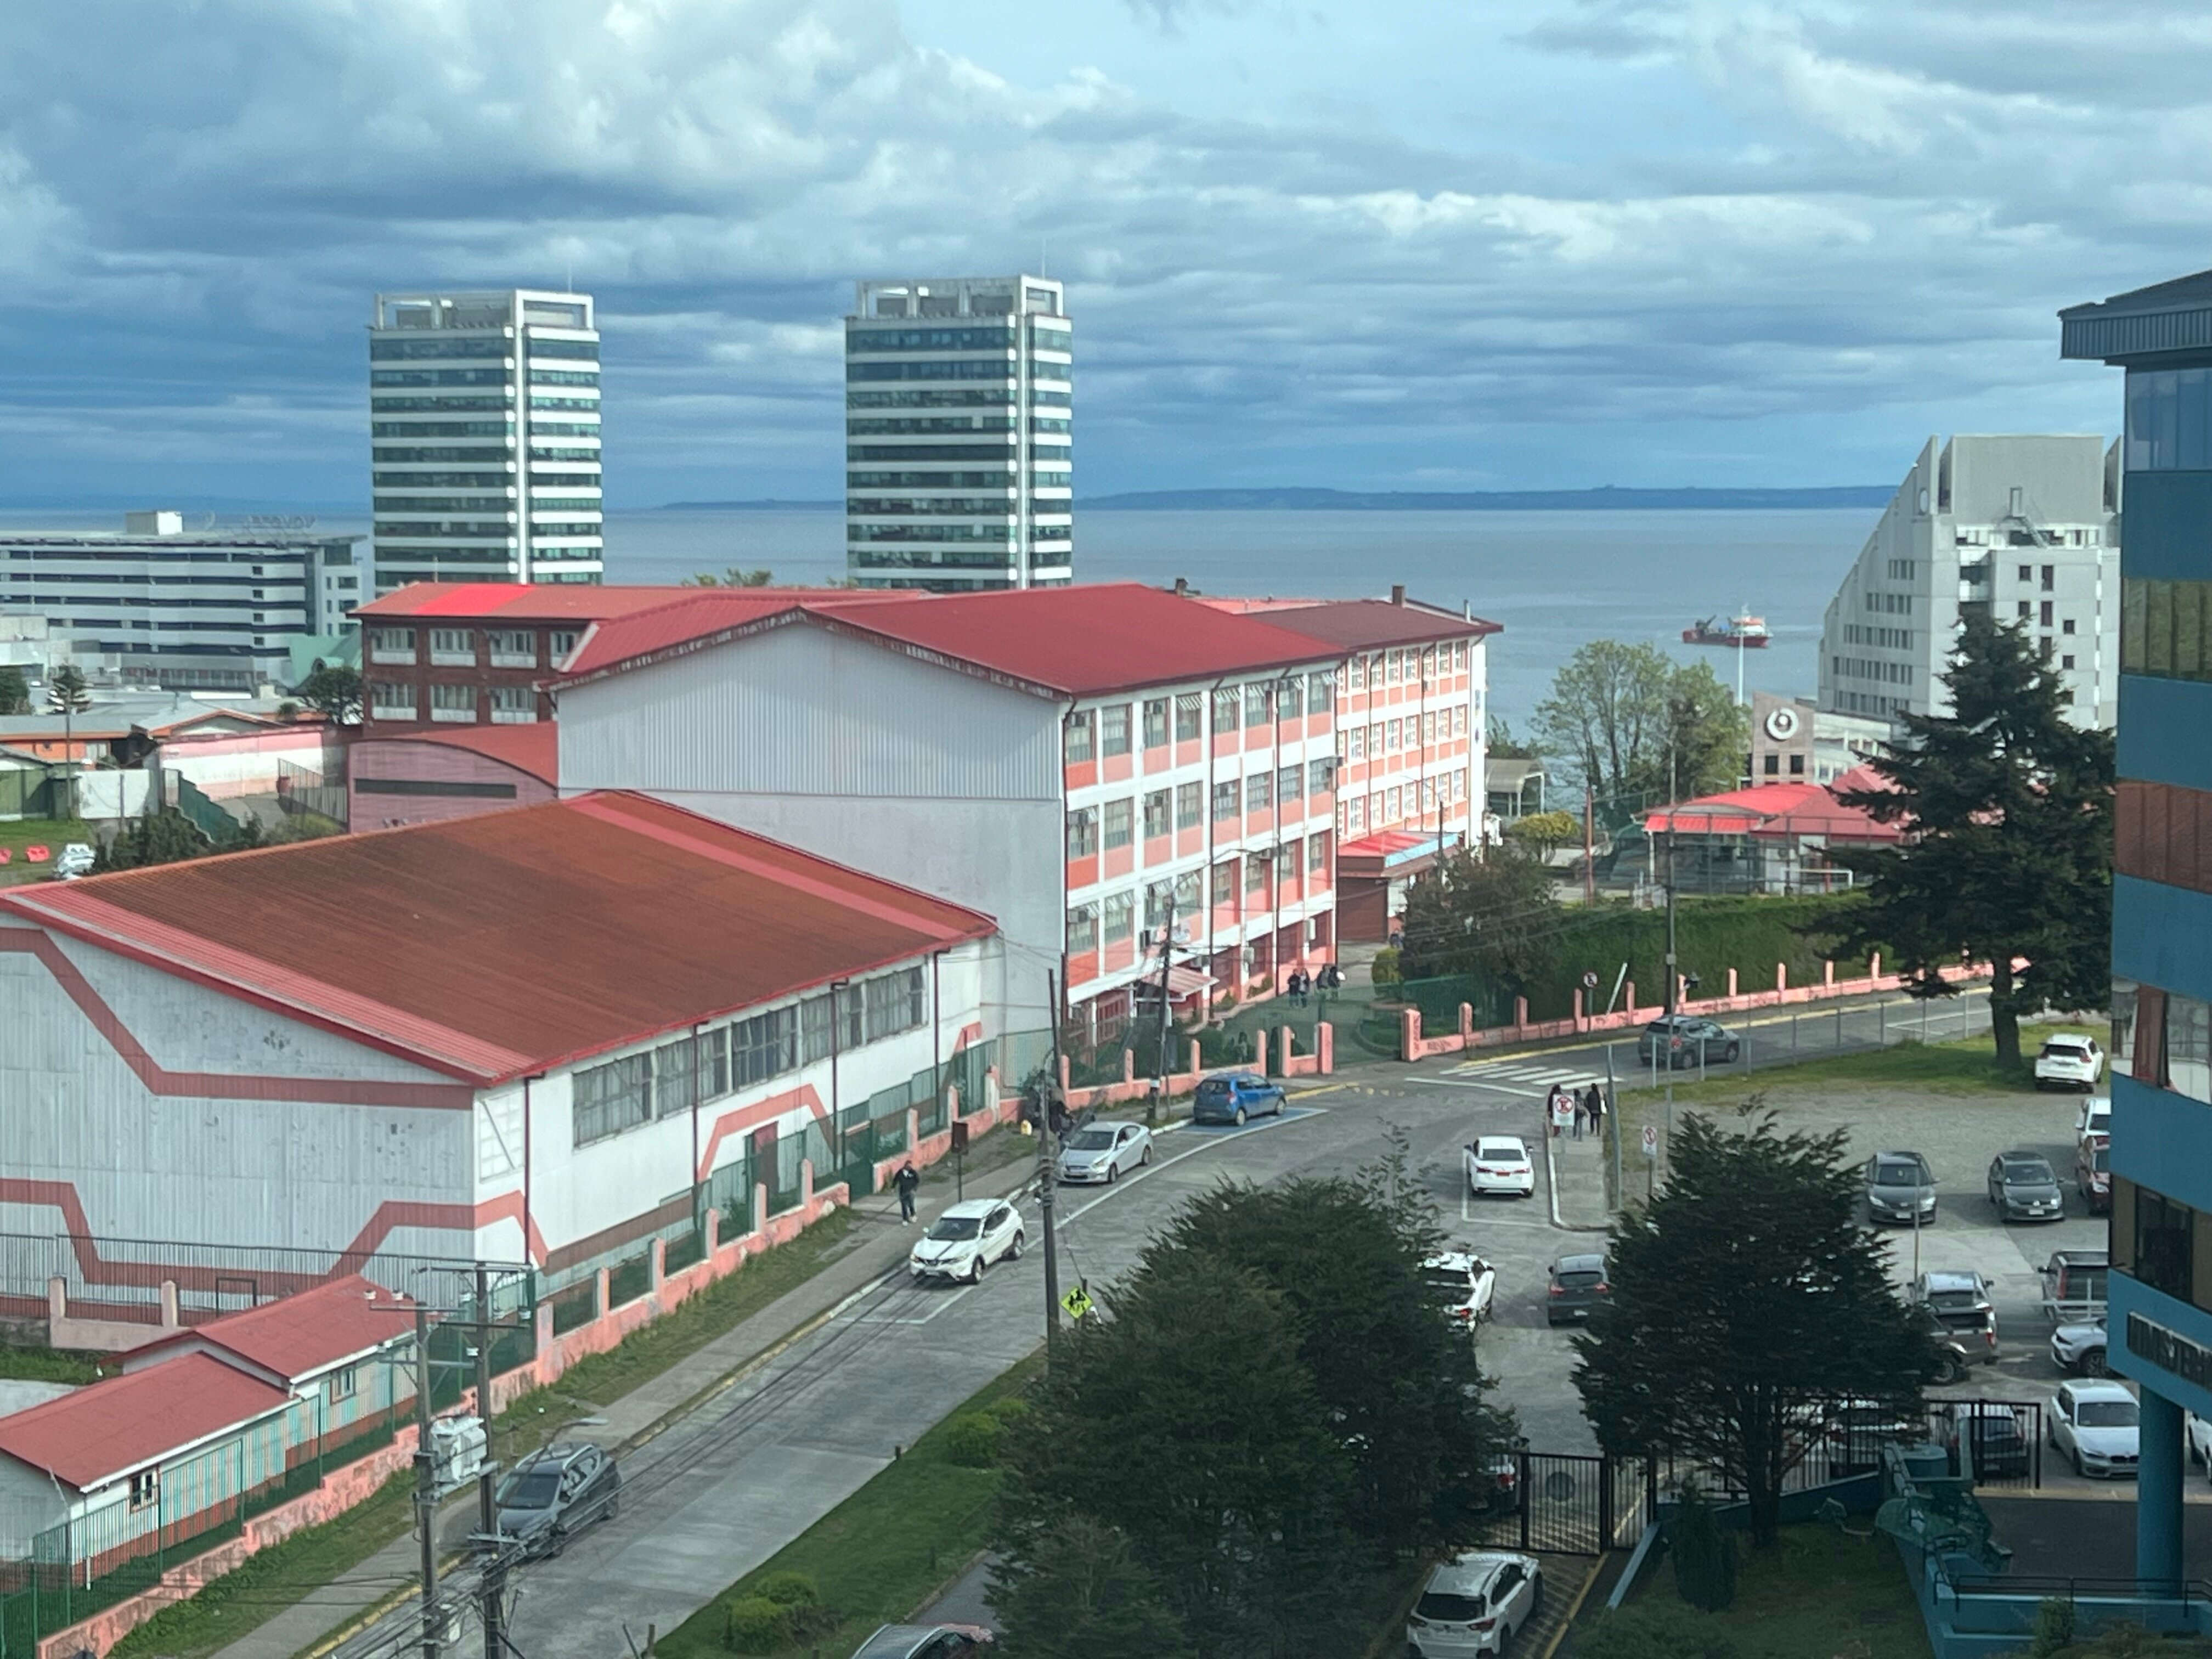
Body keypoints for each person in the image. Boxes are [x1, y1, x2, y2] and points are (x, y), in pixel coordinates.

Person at [894, 1160, 919, 1224]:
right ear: (905, 1166)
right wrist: (893, 1187)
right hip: (903, 1192)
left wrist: (915, 1189)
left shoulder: (913, 1172)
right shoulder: (900, 1172)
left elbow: (917, 1180)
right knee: (904, 1207)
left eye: (910, 1166)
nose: (909, 1167)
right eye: (908, 1166)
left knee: (911, 1205)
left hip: (911, 1192)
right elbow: (896, 1179)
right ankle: (905, 1219)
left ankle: (913, 1215)